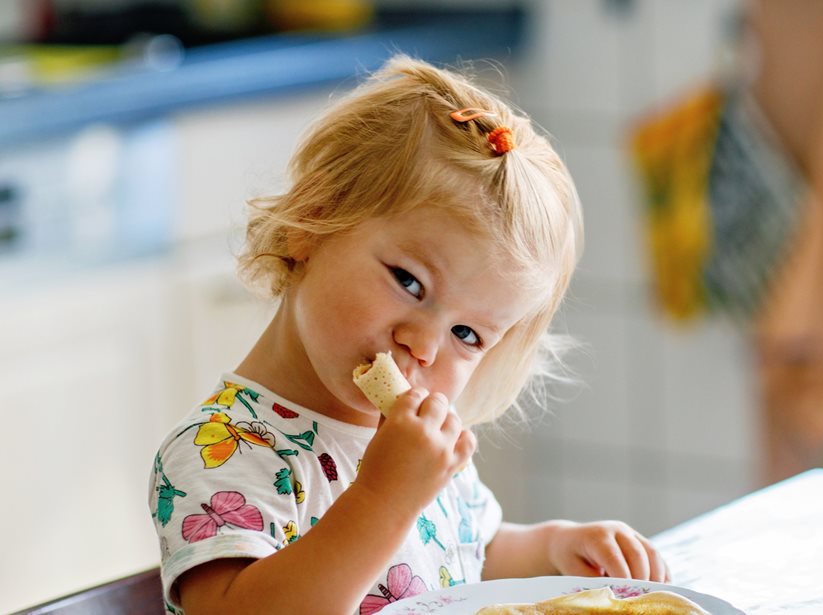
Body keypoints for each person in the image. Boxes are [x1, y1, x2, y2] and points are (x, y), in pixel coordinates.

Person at [148, 55, 669, 614]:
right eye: (409, 282)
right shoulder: (223, 453)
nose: (423, 345)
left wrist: (557, 546)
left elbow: (471, 556)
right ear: (312, 222)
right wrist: (382, 498)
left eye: (467, 333)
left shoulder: (419, 445)